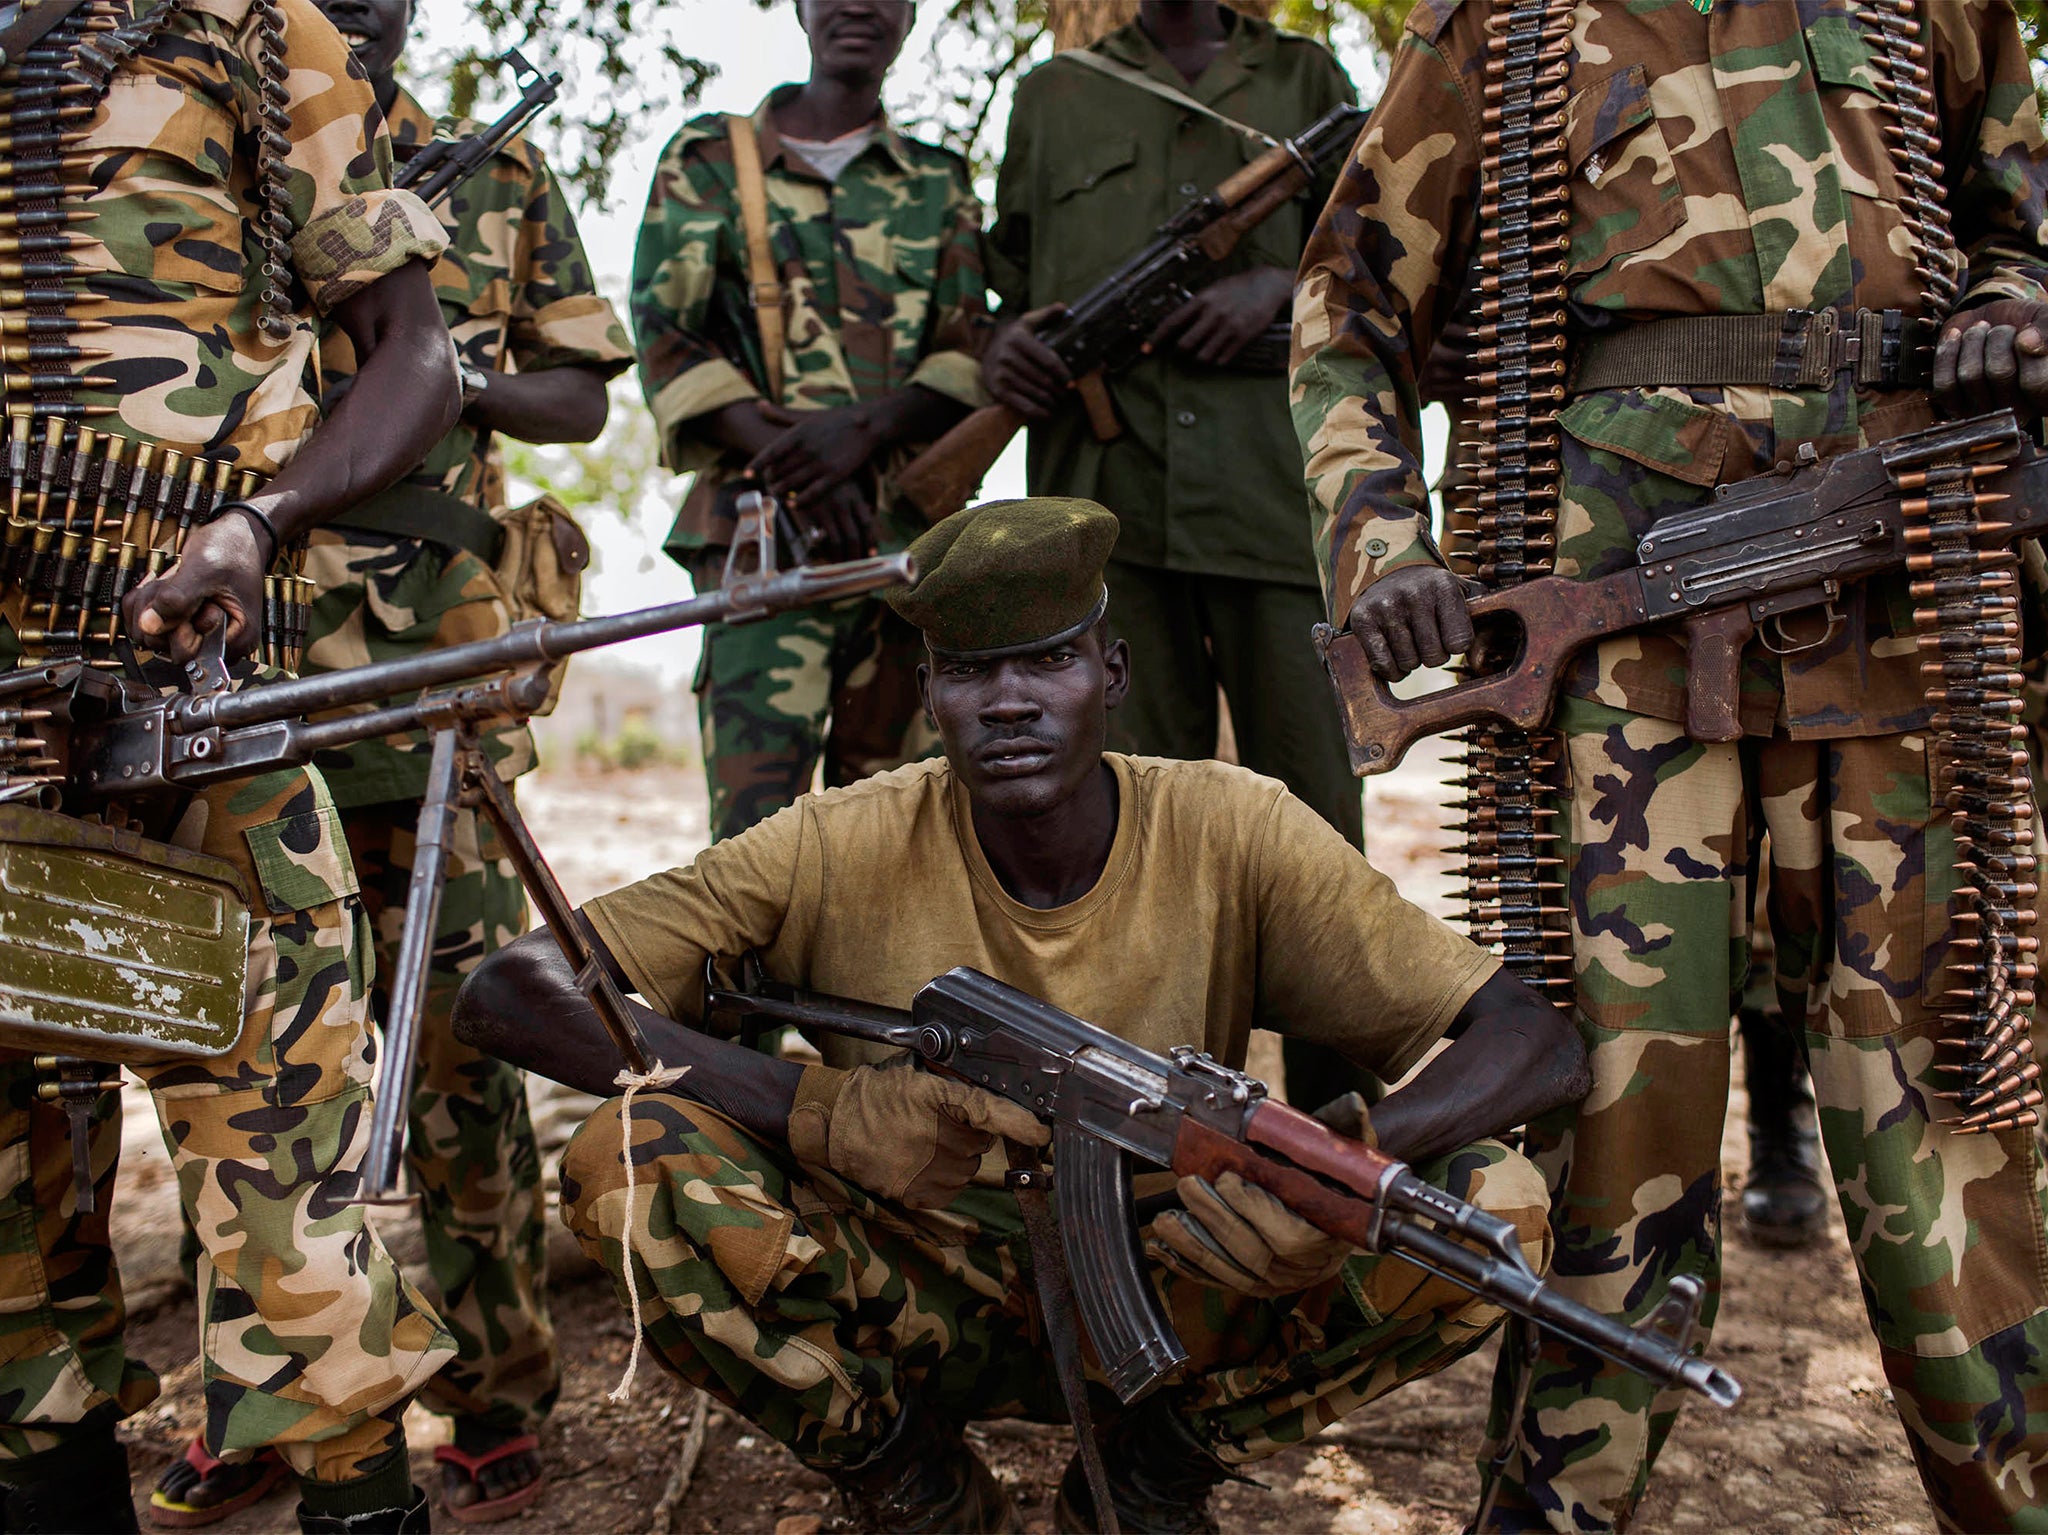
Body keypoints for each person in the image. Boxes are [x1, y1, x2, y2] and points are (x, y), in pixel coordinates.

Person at [451, 497, 1590, 1534]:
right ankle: (909, 1476)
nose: (1006, 700)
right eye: (967, 670)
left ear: (1112, 671)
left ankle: (1156, 1470)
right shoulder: (832, 840)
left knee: (1496, 1204)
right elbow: (508, 990)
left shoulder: (1233, 828)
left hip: (1180, 1266)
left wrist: (1338, 1167)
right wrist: (818, 1111)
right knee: (630, 1158)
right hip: (905, 1276)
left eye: (1046, 661)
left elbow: (1531, 1043)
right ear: (928, 689)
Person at [1292, 1, 2048, 1529]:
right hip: (1626, 636)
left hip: (1908, 607)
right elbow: (1345, 309)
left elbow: (2028, 222)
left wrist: (2018, 304)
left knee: (1947, 1134)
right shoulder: (1502, 26)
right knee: (1616, 1141)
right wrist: (1379, 541)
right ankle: (1554, 1505)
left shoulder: (1931, 8)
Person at [0, 2, 463, 1531]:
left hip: (190, 705)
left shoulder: (263, 32)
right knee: (7, 1265)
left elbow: (414, 353)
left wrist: (259, 523)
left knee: (299, 1229)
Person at [201, 2, 630, 1524]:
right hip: (237, 662)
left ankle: (497, 1385)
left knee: (458, 1043)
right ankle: (260, 1392)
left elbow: (583, 393)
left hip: (424, 666)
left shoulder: (494, 182)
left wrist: (436, 372)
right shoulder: (216, 147)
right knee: (238, 1051)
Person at [981, 0, 1363, 1106]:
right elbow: (1003, 295)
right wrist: (998, 345)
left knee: (1313, 836)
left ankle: (1335, 1142)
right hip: (1102, 527)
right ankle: (1144, 1127)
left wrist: (1280, 296)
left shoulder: (1309, 85)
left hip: (1268, 510)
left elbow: (1382, 272)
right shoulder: (1052, 98)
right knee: (1121, 837)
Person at [630, 0, 990, 844]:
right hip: (759, 541)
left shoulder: (940, 181)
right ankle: (745, 985)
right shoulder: (711, 160)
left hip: (908, 549)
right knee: (760, 842)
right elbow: (667, 337)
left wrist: (860, 436)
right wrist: (802, 468)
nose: (858, 6)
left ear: (910, 14)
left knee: (905, 830)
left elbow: (968, 345)